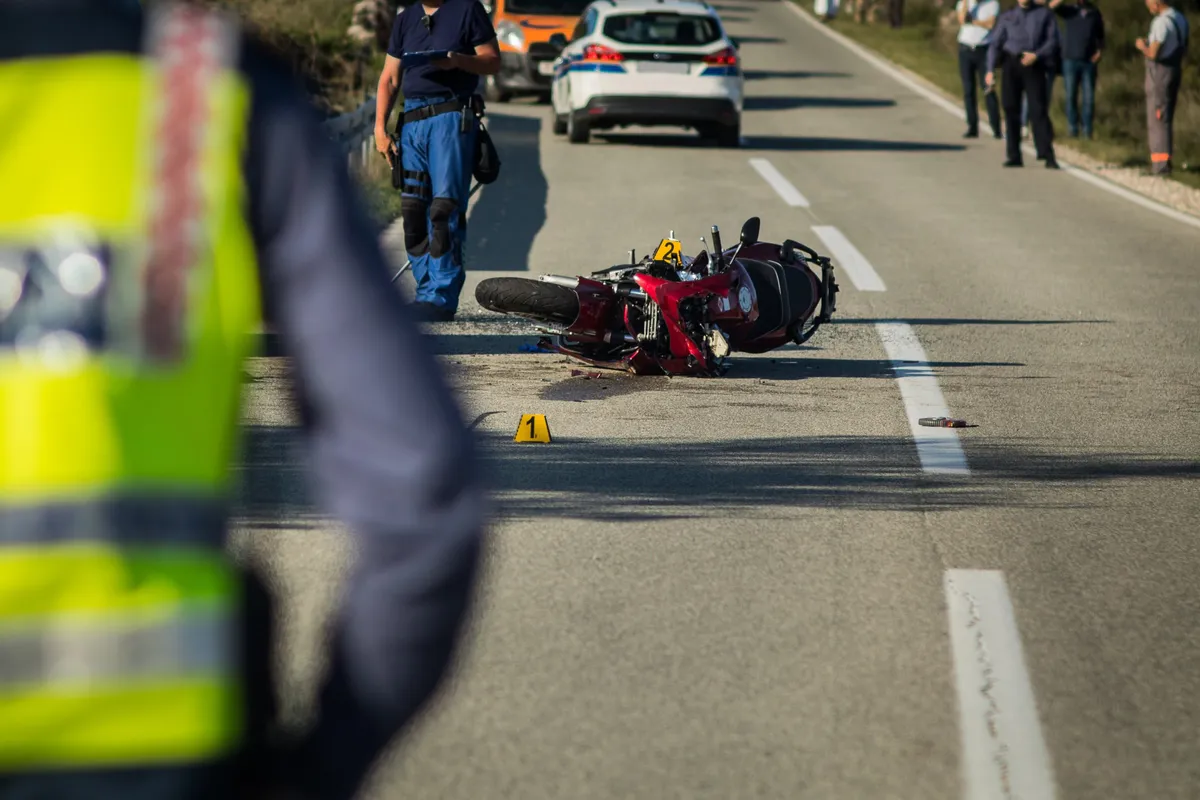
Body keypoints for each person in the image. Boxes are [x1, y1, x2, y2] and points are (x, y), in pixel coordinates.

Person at [0, 2, 486, 799]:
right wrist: (319, 770)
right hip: (146, 749)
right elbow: (423, 491)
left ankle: (440, 289)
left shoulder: (461, 14)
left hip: (448, 119)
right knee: (422, 215)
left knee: (438, 218)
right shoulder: (208, 87)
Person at [374, 0, 501, 322]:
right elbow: (390, 78)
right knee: (413, 210)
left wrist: (458, 61)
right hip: (412, 121)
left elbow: (492, 61)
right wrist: (379, 129)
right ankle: (425, 292)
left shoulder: (467, 9)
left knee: (444, 208)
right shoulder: (406, 19)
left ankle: (441, 297)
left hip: (450, 118)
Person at [987, 0, 1062, 168]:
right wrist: (990, 70)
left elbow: (1053, 40)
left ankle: (1046, 153)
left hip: (1034, 64)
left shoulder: (1044, 15)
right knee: (1010, 108)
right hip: (1011, 63)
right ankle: (1014, 155)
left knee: (1038, 109)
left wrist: (1038, 55)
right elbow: (995, 43)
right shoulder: (1008, 16)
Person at [1136, 0, 1190, 175]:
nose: (1148, 6)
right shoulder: (1180, 18)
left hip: (1159, 72)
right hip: (1174, 68)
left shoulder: (1160, 22)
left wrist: (1142, 46)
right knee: (1166, 115)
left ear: (1157, 2)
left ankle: (1160, 165)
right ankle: (1165, 161)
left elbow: (1153, 53)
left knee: (1157, 116)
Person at [1050, 0, 1105, 139]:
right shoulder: (1070, 10)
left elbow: (1100, 35)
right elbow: (1052, 6)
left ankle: (1087, 131)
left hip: (1089, 62)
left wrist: (1099, 51)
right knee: (1070, 96)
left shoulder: (1094, 12)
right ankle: (1072, 128)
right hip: (1070, 59)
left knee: (1088, 98)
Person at [956, 0, 1003, 139]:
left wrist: (973, 21)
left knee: (988, 88)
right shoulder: (963, 3)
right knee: (968, 90)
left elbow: (990, 24)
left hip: (984, 50)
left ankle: (996, 127)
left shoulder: (992, 4)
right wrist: (966, 3)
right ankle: (972, 126)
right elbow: (962, 20)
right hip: (965, 49)